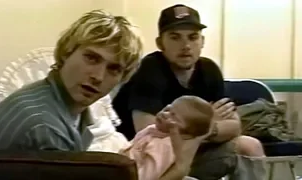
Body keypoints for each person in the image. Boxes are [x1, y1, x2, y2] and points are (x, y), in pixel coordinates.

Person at [112, 4, 265, 180]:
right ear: (160, 43)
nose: (186, 46)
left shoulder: (209, 70)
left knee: (250, 146)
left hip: (188, 151)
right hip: (145, 160)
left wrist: (204, 129)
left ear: (202, 42)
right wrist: (206, 125)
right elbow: (150, 130)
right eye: (175, 38)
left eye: (193, 37)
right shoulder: (149, 69)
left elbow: (234, 126)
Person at [0, 10, 143, 151]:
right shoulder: (46, 127)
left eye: (114, 69)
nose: (98, 77)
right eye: (91, 58)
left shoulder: (64, 105)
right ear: (67, 52)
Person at [120, 96, 214, 180]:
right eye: (168, 109)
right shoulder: (154, 130)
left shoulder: (165, 146)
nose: (165, 114)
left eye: (174, 118)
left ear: (185, 135)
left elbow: (147, 176)